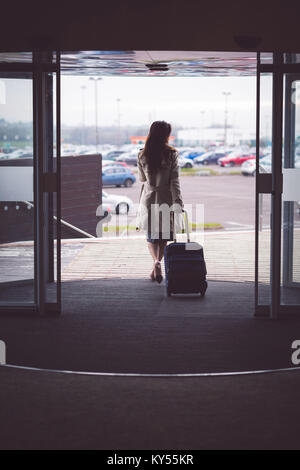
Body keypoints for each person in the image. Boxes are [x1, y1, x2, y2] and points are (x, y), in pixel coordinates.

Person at [136, 121, 184, 283]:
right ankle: (157, 263)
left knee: (151, 236)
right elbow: (174, 181)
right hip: (165, 198)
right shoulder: (172, 154)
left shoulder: (142, 154)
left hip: (149, 198)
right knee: (163, 236)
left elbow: (142, 178)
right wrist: (178, 201)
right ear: (166, 135)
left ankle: (155, 263)